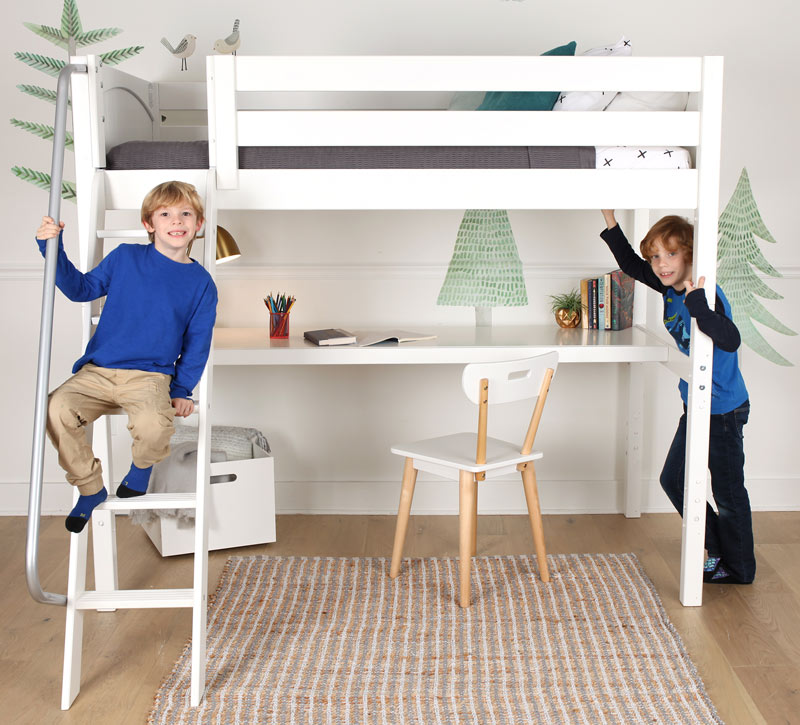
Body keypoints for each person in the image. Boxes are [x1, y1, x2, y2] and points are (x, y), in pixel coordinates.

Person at [35, 181, 218, 533]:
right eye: (165, 214)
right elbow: (81, 289)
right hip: (98, 371)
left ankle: (140, 471)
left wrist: (182, 390)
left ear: (199, 224)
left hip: (149, 377)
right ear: (149, 224)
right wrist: (51, 247)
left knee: (155, 426)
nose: (176, 221)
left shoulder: (201, 283)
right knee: (55, 408)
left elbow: (197, 343)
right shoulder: (125, 257)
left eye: (185, 214)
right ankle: (89, 488)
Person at [600, 210, 753, 584]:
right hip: (697, 403)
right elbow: (631, 266)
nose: (661, 264)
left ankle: (739, 568)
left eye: (670, 254)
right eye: (656, 256)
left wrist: (699, 306)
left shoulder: (706, 293)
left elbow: (731, 339)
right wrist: (610, 218)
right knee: (674, 480)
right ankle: (718, 548)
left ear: (689, 255)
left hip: (725, 409)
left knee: (728, 492)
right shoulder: (669, 288)